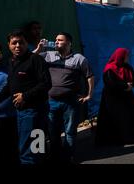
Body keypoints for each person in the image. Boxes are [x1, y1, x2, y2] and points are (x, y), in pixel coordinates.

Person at [0, 30, 51, 165]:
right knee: (36, 146)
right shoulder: (12, 61)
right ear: (8, 45)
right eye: (14, 43)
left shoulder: (35, 59)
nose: (17, 46)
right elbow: (10, 85)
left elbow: (46, 83)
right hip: (22, 111)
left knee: (30, 148)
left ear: (26, 43)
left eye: (21, 42)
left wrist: (25, 96)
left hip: (34, 111)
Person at [39, 32, 94, 163]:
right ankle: (55, 156)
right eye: (56, 40)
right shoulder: (48, 55)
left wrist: (89, 95)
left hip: (71, 102)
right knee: (53, 131)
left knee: (70, 131)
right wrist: (39, 49)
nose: (56, 42)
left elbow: (90, 76)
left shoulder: (79, 59)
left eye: (60, 40)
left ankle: (68, 156)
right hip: (51, 101)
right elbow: (30, 59)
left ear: (69, 43)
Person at [95, 48, 134, 146]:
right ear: (120, 56)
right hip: (113, 98)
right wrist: (126, 86)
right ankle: (117, 139)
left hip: (127, 96)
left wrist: (131, 85)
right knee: (116, 118)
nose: (128, 57)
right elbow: (110, 82)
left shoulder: (127, 67)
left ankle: (132, 137)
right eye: (126, 56)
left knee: (130, 116)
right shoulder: (110, 68)